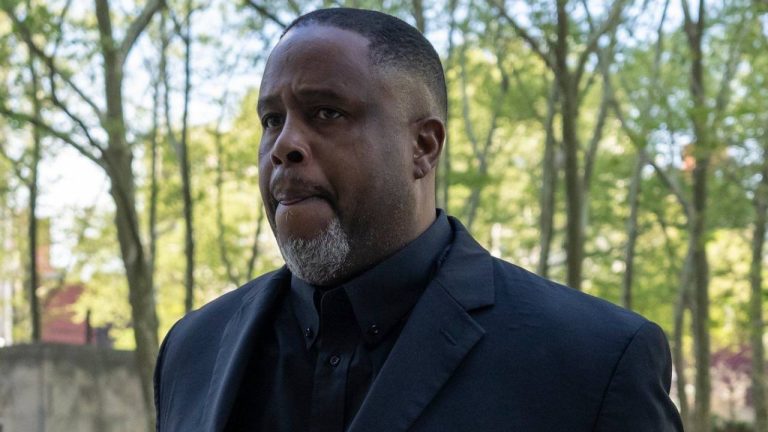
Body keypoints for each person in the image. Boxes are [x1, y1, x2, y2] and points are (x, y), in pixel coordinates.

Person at [153, 8, 683, 432]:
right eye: (273, 120)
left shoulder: (597, 363)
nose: (284, 145)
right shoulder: (192, 349)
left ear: (423, 146)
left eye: (326, 113)